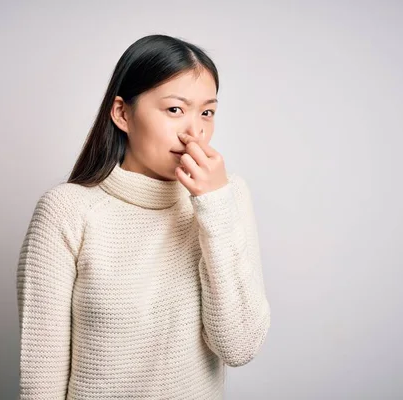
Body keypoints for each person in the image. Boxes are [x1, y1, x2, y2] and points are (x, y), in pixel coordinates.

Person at [16, 33, 271, 400]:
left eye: (207, 112)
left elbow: (240, 346)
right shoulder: (66, 211)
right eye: (174, 110)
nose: (194, 132)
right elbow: (41, 380)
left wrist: (214, 206)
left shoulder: (228, 199)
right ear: (122, 113)